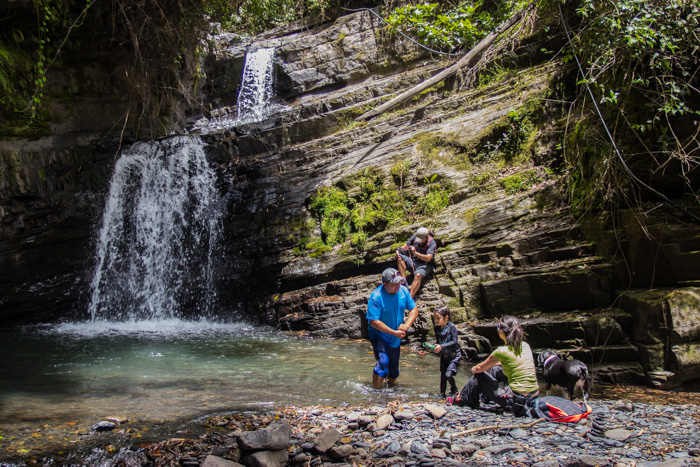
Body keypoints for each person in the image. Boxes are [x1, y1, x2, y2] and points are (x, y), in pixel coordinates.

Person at [449, 315, 539, 417]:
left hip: (516, 402)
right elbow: (508, 363)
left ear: (501, 331)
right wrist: (491, 366)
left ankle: (463, 400)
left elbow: (478, 369)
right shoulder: (525, 345)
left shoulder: (501, 351)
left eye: (498, 326)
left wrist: (475, 368)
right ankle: (483, 398)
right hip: (533, 398)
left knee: (479, 376)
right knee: (495, 369)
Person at [367, 267, 420, 389]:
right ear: (385, 284)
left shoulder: (403, 291)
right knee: (383, 363)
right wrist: (393, 332)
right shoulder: (376, 297)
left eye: (399, 281)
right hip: (379, 334)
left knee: (394, 371)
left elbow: (414, 309)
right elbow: (374, 321)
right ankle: (376, 394)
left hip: (395, 336)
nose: (398, 285)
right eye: (394, 283)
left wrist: (406, 325)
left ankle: (390, 391)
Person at [396, 227, 437, 298]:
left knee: (418, 275)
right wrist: (399, 250)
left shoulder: (432, 243)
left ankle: (410, 297)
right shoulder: (415, 237)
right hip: (414, 262)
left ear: (426, 237)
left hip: (425, 265)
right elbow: (404, 246)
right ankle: (403, 281)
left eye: (421, 240)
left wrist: (415, 253)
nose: (419, 242)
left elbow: (428, 258)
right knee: (399, 257)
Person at [430, 305, 462, 398]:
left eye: (438, 318)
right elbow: (438, 342)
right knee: (443, 377)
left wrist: (441, 346)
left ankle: (454, 389)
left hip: (454, 356)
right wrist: (432, 348)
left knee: (448, 375)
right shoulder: (437, 328)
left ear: (446, 317)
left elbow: (454, 341)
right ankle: (442, 394)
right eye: (434, 318)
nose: (436, 321)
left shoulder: (451, 327)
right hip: (444, 356)